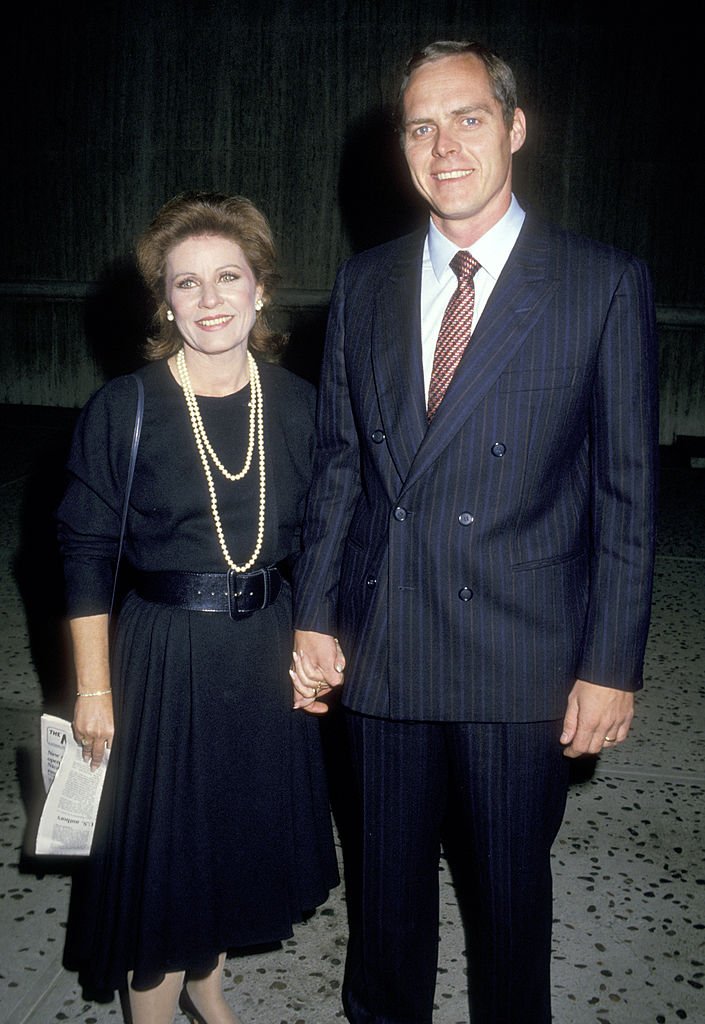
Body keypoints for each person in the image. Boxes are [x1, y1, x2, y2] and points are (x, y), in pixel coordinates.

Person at [290, 40, 658, 1024]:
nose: (443, 144)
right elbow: (338, 467)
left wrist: (611, 662)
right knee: (386, 916)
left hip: (518, 658)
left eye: (467, 118)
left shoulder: (600, 283)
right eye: (420, 125)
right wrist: (313, 614)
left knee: (507, 914)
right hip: (381, 651)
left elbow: (628, 491)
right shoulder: (364, 283)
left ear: (514, 127)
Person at [57, 191, 339, 1024]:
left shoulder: (299, 405)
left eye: (228, 277)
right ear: (164, 302)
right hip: (165, 660)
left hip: (263, 653)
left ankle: (209, 997)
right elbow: (82, 555)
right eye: (186, 283)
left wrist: (318, 650)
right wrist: (93, 689)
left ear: (260, 290)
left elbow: (328, 539)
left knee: (223, 849)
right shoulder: (126, 408)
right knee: (164, 875)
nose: (210, 299)